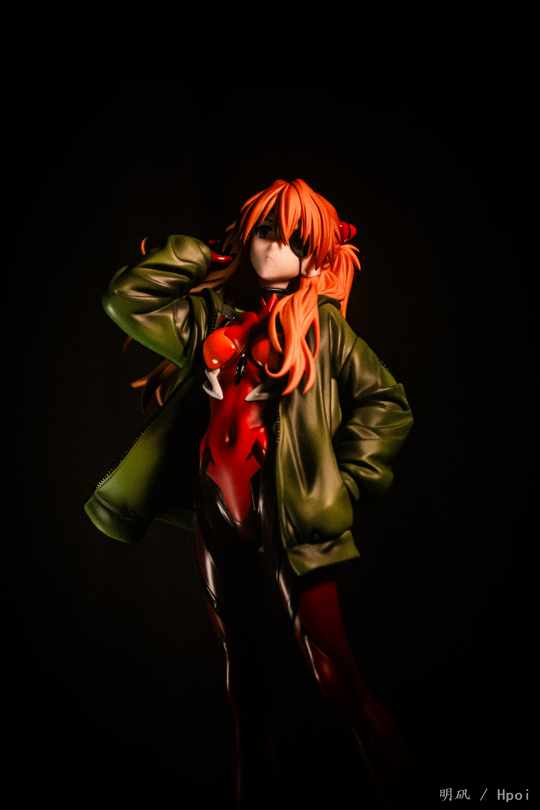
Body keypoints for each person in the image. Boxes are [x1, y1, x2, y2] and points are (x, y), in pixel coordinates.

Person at [85, 179, 415, 808]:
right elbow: (124, 298)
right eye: (266, 231)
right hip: (217, 503)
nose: (274, 248)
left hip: (287, 510)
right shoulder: (213, 320)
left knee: (336, 679)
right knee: (242, 692)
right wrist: (204, 255)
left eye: (294, 241)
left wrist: (343, 483)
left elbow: (388, 405)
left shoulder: (323, 330)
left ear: (313, 258)